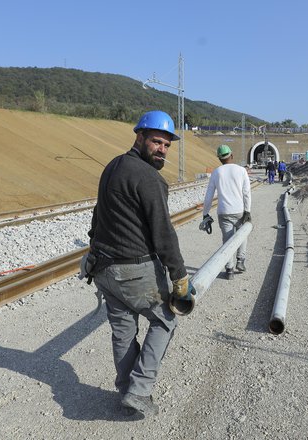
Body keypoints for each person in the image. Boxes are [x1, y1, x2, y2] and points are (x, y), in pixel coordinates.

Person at [86, 110, 191, 417]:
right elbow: (163, 233)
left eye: (167, 145)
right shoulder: (149, 178)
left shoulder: (113, 167)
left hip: (103, 268)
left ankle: (126, 390)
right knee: (164, 321)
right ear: (140, 137)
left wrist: (94, 243)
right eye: (157, 141)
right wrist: (179, 276)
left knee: (122, 331)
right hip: (134, 270)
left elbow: (98, 213)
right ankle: (140, 389)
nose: (162, 149)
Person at [202, 145, 252, 280]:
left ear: (219, 159)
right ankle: (240, 260)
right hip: (240, 211)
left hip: (223, 212)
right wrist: (248, 210)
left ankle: (229, 269)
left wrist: (205, 214)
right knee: (242, 235)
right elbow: (246, 193)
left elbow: (208, 196)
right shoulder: (241, 171)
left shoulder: (216, 172)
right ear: (232, 155)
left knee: (227, 240)